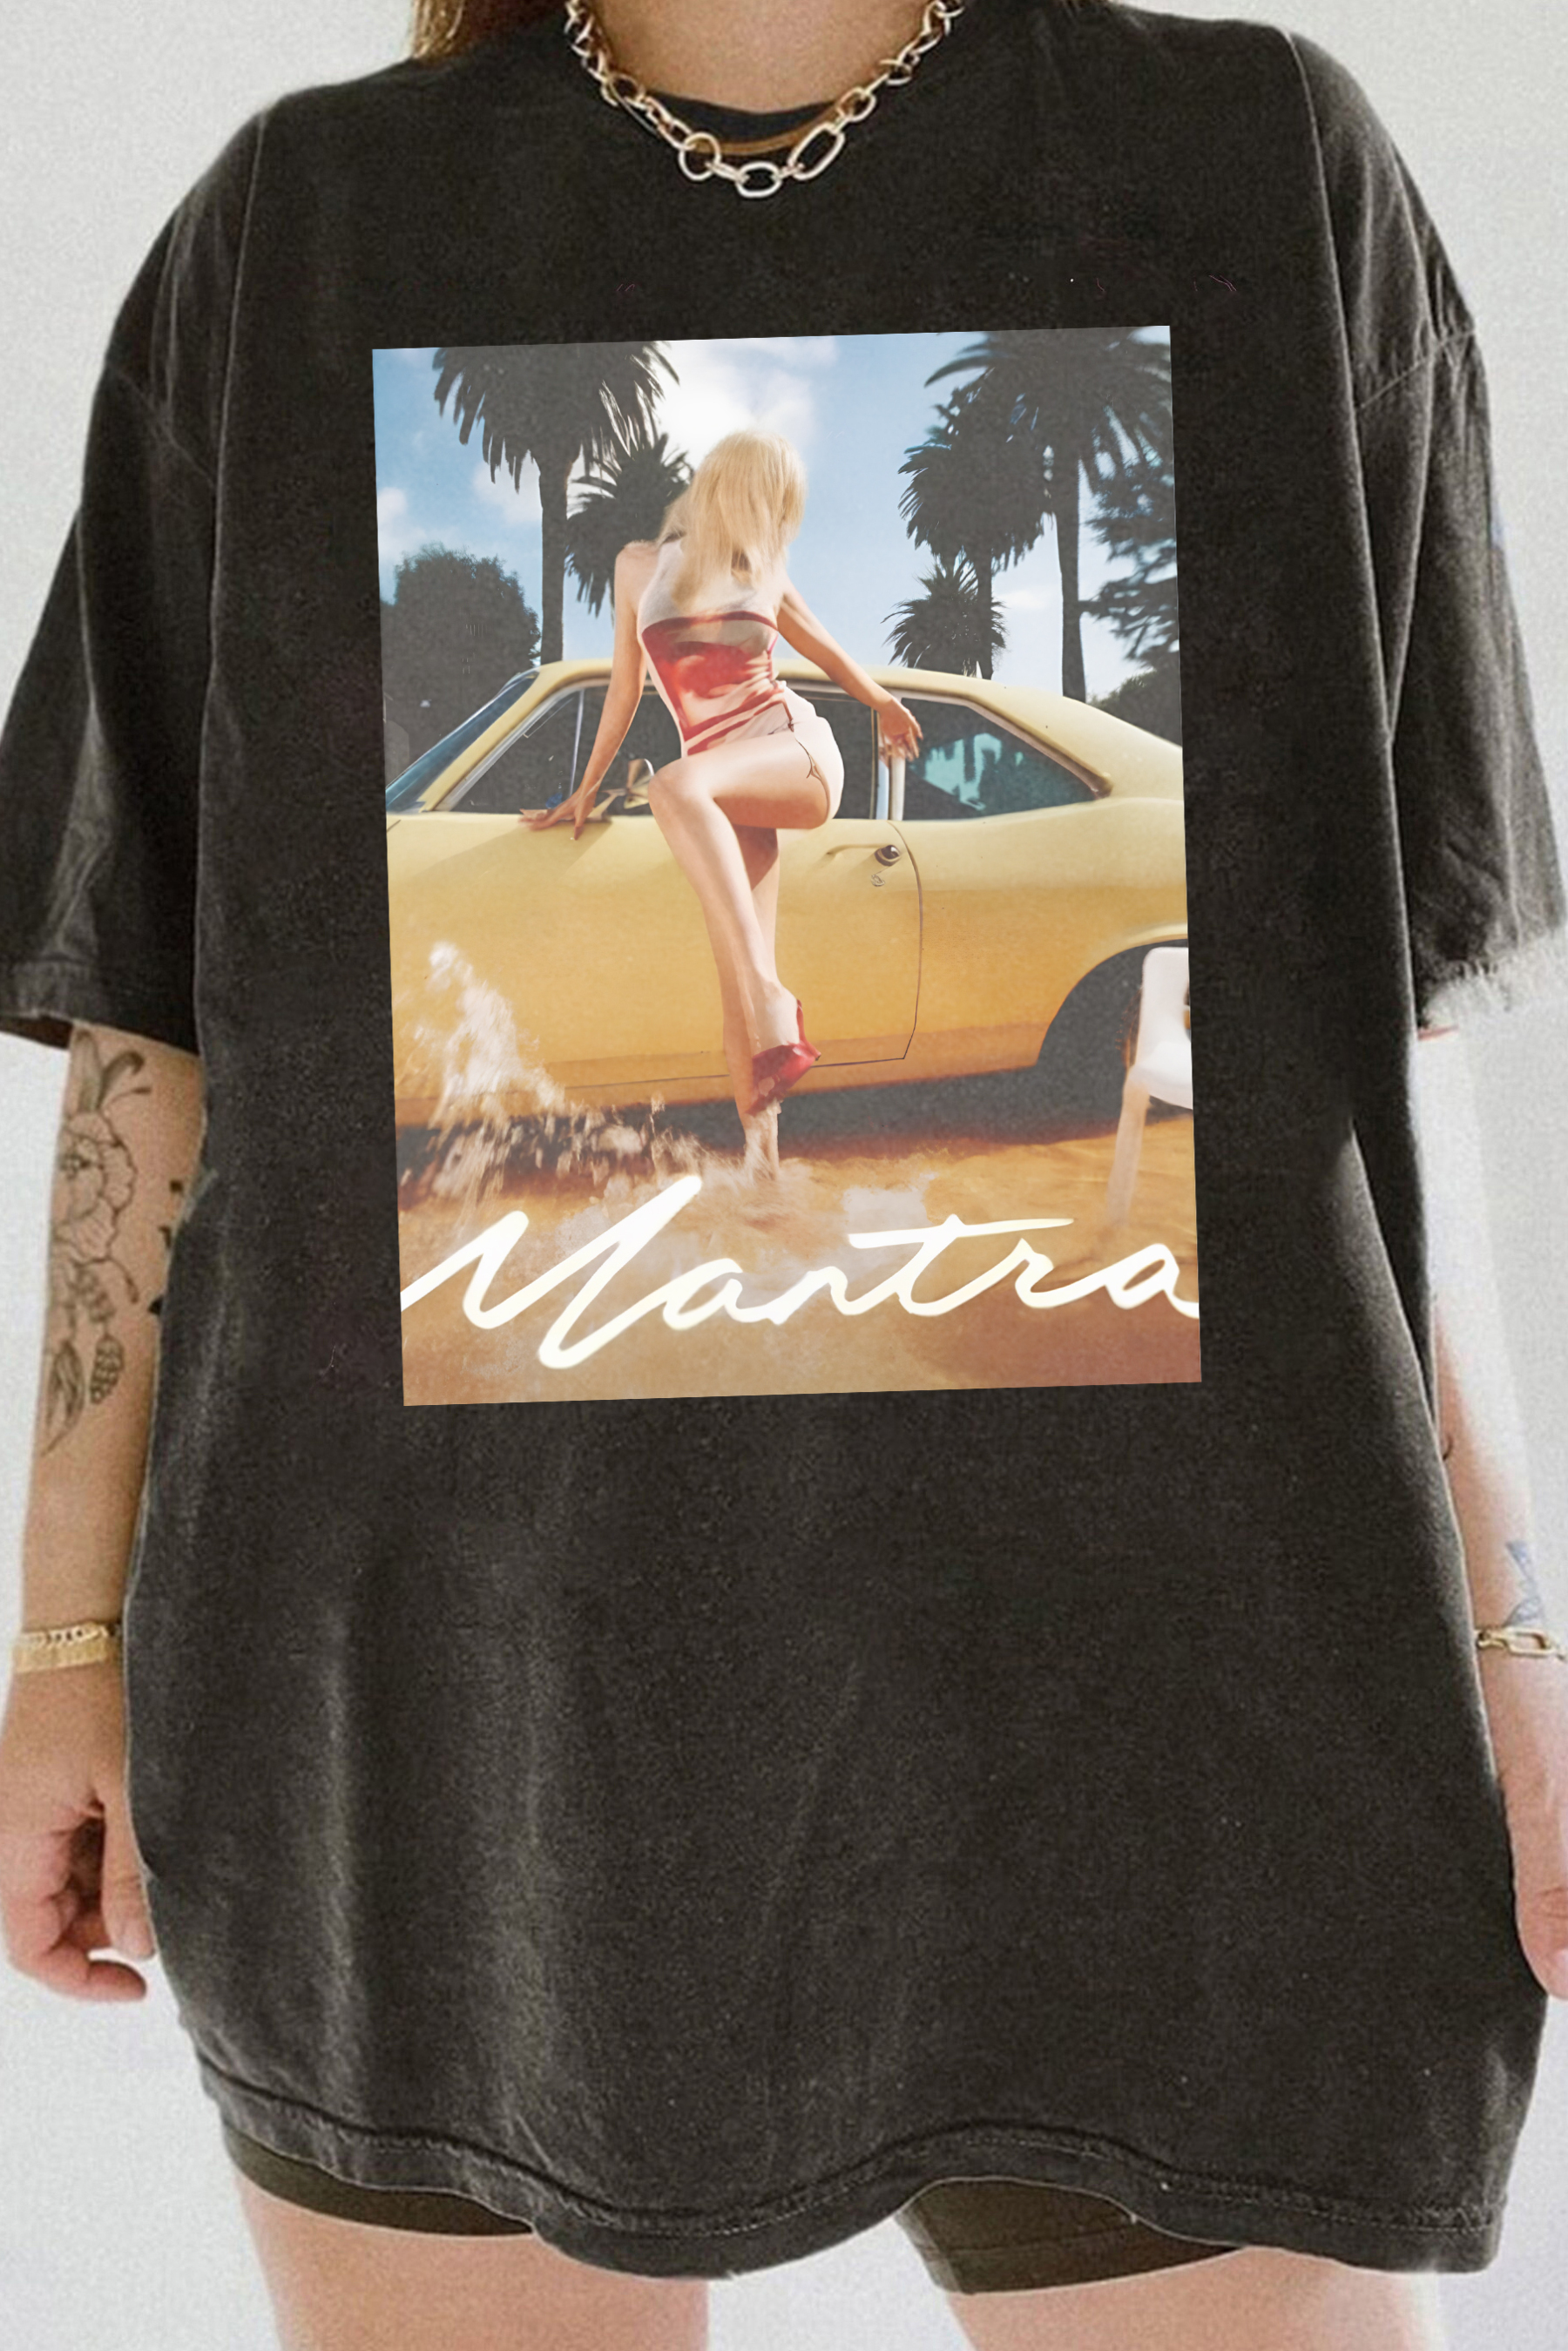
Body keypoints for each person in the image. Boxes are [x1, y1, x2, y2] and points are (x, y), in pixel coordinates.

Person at [1, 3, 1566, 2349]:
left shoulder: (1262, 166)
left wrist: (1513, 1633)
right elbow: (151, 1017)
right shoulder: (304, 228)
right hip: (430, 1743)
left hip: (1169, 1731)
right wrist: (64, 1637)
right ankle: (760, 1053)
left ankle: (764, 1043)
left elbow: (1382, 1030)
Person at [521, 426, 924, 1172]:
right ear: (735, 485)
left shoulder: (764, 569)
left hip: (794, 753)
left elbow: (825, 647)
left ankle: (773, 995)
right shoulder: (637, 567)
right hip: (723, 789)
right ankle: (763, 1170)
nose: (777, 517)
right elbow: (624, 689)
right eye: (773, 497)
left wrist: (881, 701)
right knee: (735, 992)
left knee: (675, 783)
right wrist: (584, 788)